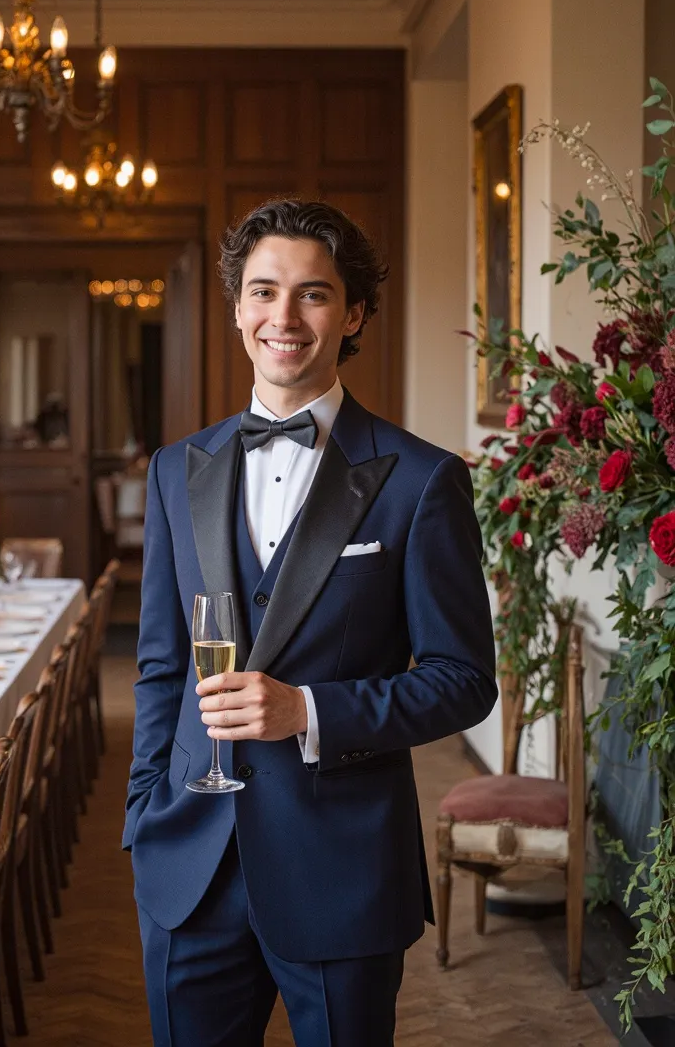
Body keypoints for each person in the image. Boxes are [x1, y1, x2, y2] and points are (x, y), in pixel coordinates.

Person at [123, 198, 497, 1046]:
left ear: (353, 312)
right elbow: (158, 663)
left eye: (313, 295)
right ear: (237, 308)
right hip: (187, 863)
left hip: (342, 868)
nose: (282, 317)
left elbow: (464, 680)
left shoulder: (422, 481)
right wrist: (144, 814)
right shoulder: (176, 469)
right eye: (262, 292)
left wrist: (309, 711)